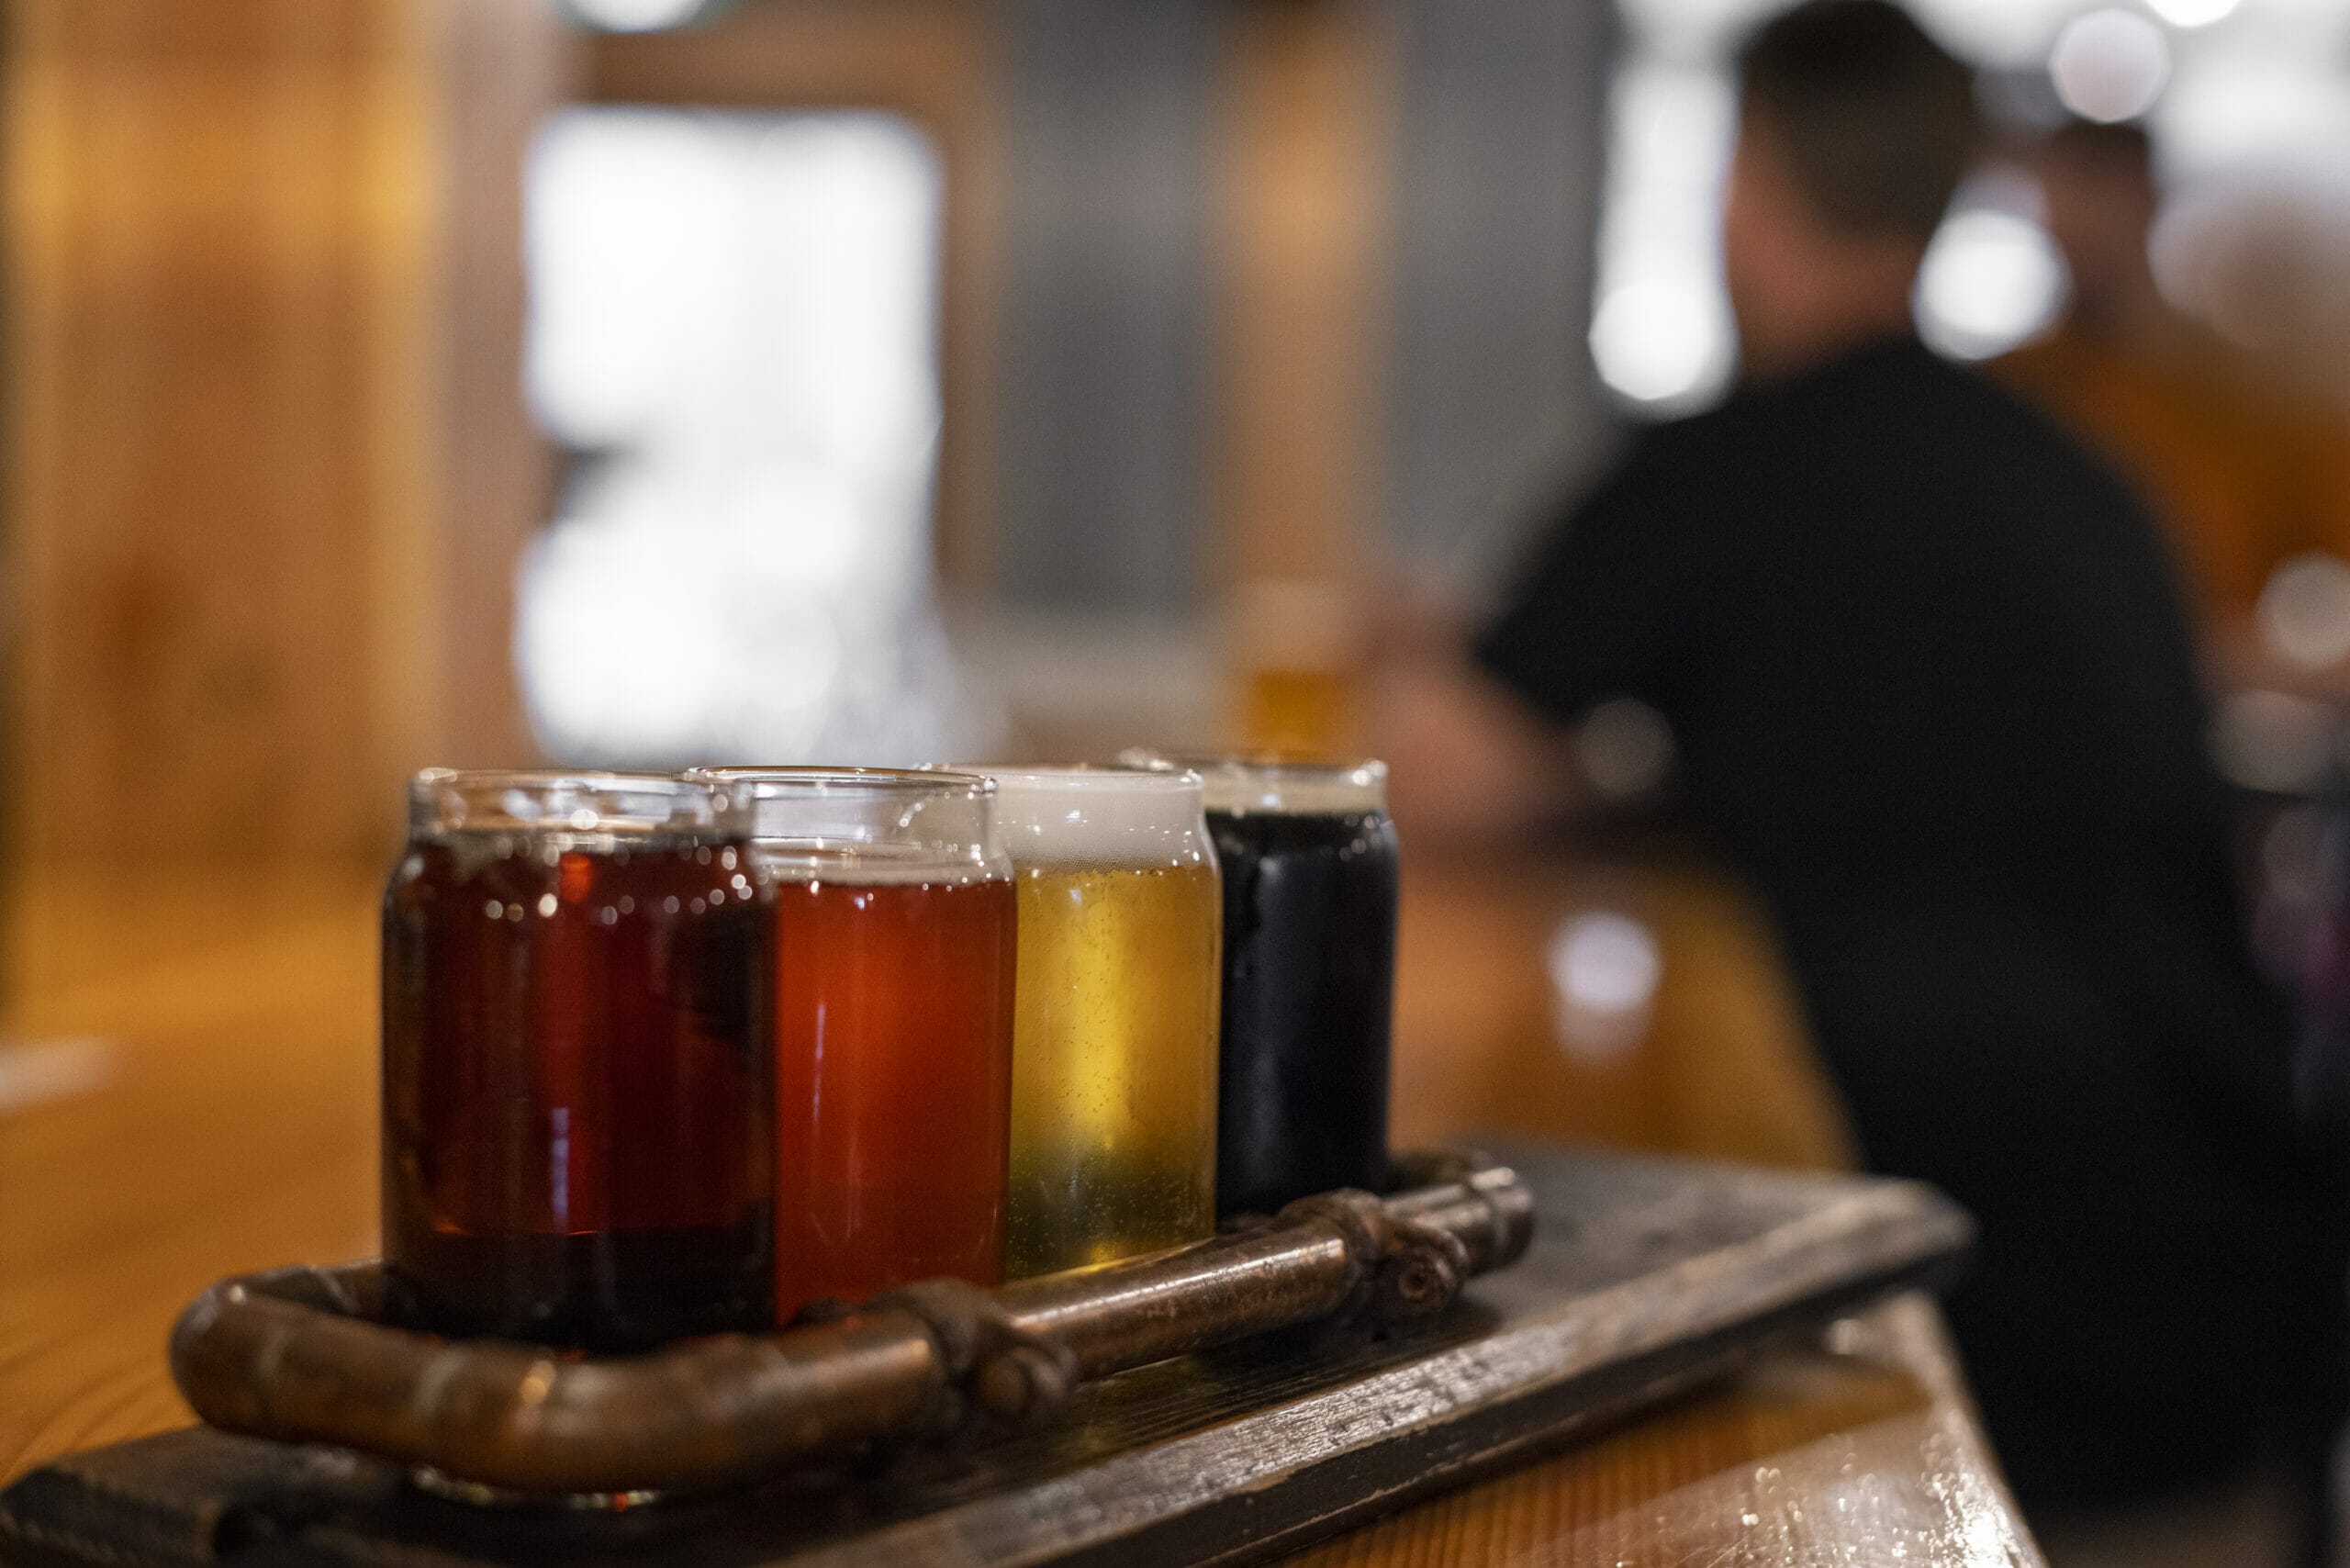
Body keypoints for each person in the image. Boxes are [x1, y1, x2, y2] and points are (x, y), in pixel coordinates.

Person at [1379, 1, 2349, 1556]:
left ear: (1748, 185)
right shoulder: (2086, 482)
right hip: (2221, 1279)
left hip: (1966, 1318)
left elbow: (1435, 781)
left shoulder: (1723, 469)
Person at [1997, 119, 2350, 672]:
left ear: (2148, 199)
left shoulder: (2244, 396)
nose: (2069, 222)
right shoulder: (2012, 390)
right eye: (2054, 196)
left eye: (2093, 189)